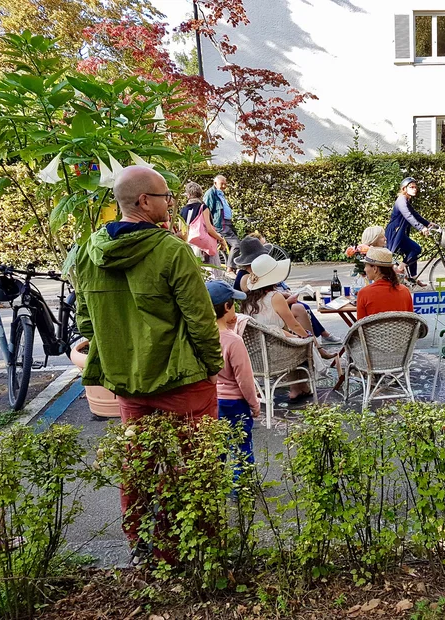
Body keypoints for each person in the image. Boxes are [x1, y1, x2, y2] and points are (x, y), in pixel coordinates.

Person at [76, 165, 224, 564]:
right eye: (164, 196)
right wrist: (213, 366)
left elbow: (85, 321)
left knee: (140, 464)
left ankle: (143, 545)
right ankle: (194, 552)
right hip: (182, 379)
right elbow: (199, 319)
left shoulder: (89, 252)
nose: (171, 202)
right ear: (144, 201)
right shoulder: (170, 250)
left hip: (127, 381)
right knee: (194, 466)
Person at [242, 254, 338, 403]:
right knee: (304, 343)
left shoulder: (248, 300)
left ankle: (299, 388)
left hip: (257, 353)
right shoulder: (275, 297)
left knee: (296, 339)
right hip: (276, 351)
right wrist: (306, 337)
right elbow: (293, 324)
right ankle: (301, 386)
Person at [233, 237, 340, 345]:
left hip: (259, 322)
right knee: (300, 309)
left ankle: (317, 344)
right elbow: (268, 308)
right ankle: (314, 345)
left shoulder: (249, 281)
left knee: (300, 307)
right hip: (269, 327)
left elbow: (260, 301)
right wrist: (306, 338)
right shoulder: (249, 279)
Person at [207, 281, 260, 466]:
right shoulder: (233, 341)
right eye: (233, 305)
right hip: (236, 402)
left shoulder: (201, 337)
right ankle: (241, 488)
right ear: (227, 306)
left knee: (216, 447)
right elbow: (244, 379)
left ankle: (217, 487)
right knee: (241, 447)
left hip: (212, 400)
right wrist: (254, 403)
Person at [385, 177, 435, 286]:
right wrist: (421, 228)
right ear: (404, 188)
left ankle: (413, 278)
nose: (414, 189)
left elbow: (415, 214)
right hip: (395, 233)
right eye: (411, 187)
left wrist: (428, 224)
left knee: (412, 252)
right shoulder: (401, 200)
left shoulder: (406, 200)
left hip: (400, 233)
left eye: (415, 187)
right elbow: (408, 216)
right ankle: (399, 269)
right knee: (416, 249)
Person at [181, 181, 228, 280]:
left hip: (189, 245)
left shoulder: (183, 210)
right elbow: (209, 229)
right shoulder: (203, 208)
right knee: (212, 274)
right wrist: (221, 239)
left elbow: (182, 231)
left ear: (188, 195)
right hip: (203, 245)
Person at [356, 247, 413, 319]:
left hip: (373, 330)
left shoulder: (364, 293)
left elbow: (360, 326)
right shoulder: (405, 291)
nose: (364, 269)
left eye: (366, 266)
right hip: (401, 330)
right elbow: (411, 320)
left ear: (375, 269)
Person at [204, 175, 240, 271]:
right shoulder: (210, 193)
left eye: (225, 183)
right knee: (236, 245)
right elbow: (205, 210)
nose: (224, 186)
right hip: (221, 224)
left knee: (236, 244)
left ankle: (234, 267)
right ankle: (230, 268)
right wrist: (209, 226)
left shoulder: (220, 193)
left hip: (227, 222)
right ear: (215, 183)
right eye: (222, 184)